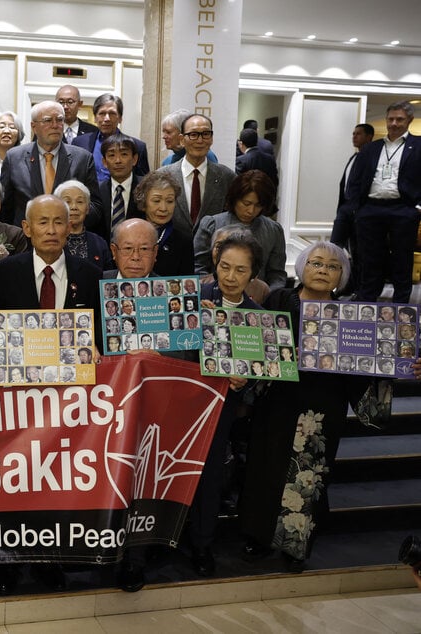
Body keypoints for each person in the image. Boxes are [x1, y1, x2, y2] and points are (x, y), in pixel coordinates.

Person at [241, 241, 369, 574]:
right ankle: (257, 536)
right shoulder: (280, 299)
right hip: (278, 400)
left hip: (323, 407)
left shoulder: (349, 316)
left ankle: (297, 546)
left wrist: (399, 368)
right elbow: (253, 343)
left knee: (309, 476)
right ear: (302, 267)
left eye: (332, 266)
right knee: (265, 467)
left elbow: (365, 366)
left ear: (341, 276)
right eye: (316, 263)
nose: (324, 270)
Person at [189, 231, 262, 578]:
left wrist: (245, 380)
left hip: (221, 410)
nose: (230, 277)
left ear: (253, 275)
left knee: (210, 474)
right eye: (225, 267)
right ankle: (162, 539)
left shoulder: (257, 316)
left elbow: (264, 377)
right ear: (215, 264)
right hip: (182, 400)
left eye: (240, 271)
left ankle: (202, 544)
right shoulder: (193, 298)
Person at [0, 194, 102, 345]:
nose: (51, 230)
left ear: (68, 228)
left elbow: (98, 332)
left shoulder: (91, 275)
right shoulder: (4, 273)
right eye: (43, 222)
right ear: (27, 228)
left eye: (58, 222)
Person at [347, 101, 421, 302]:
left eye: (400, 119)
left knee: (402, 259)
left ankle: (400, 306)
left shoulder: (418, 146)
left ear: (409, 120)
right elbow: (354, 180)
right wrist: (357, 209)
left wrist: (417, 208)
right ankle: (367, 303)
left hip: (403, 210)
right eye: (391, 119)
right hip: (370, 210)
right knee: (369, 259)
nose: (394, 123)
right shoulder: (371, 148)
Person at [0, 101, 102, 226]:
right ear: (34, 127)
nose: (55, 125)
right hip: (26, 239)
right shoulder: (14, 158)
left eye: (59, 120)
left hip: (69, 237)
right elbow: (4, 207)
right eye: (48, 120)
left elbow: (96, 206)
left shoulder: (82, 159)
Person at [193, 170, 287, 289]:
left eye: (258, 205)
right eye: (246, 203)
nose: (251, 211)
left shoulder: (273, 230)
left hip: (259, 300)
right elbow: (198, 266)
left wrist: (269, 296)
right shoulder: (212, 224)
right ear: (235, 198)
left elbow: (277, 274)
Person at [157, 114, 236, 234]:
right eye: (193, 135)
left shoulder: (227, 177)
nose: (200, 140)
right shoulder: (162, 176)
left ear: (211, 138)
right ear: (182, 140)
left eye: (205, 134)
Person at [331, 123, 374, 294]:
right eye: (353, 133)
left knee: (358, 252)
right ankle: (339, 284)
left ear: (369, 137)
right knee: (335, 246)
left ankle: (357, 288)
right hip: (345, 208)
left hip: (360, 210)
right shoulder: (354, 157)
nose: (354, 137)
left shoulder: (371, 158)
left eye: (358, 134)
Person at [72, 93, 150, 181]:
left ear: (120, 118)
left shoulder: (138, 146)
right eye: (102, 113)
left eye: (112, 113)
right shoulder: (79, 143)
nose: (107, 118)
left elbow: (143, 183)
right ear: (95, 117)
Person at [132, 170, 194, 276]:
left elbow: (188, 285)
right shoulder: (129, 233)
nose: (164, 208)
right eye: (156, 201)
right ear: (143, 203)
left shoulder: (184, 241)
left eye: (169, 201)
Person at [98, 133, 143, 241]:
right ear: (104, 162)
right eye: (112, 155)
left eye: (124, 154)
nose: (118, 160)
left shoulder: (146, 188)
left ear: (134, 159)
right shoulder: (97, 191)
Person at [57, 180, 110, 270]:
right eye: (67, 202)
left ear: (88, 208)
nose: (74, 207)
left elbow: (107, 279)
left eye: (80, 202)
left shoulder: (100, 243)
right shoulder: (51, 240)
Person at [235, 129, 279, 195]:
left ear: (241, 143)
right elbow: (275, 181)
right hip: (266, 199)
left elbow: (239, 185)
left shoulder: (241, 160)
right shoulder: (270, 159)